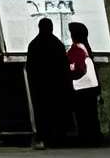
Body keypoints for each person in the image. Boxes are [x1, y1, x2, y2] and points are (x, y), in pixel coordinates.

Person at [23, 16, 73, 148]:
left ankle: (44, 137)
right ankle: (58, 138)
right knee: (57, 112)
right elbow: (64, 67)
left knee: (42, 113)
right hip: (56, 86)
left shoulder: (34, 45)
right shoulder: (57, 44)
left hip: (40, 87)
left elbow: (29, 67)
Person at [66, 19, 101, 146]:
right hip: (91, 86)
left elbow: (74, 66)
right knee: (91, 114)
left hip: (81, 87)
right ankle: (94, 138)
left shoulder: (77, 49)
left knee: (83, 115)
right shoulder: (86, 47)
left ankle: (86, 139)